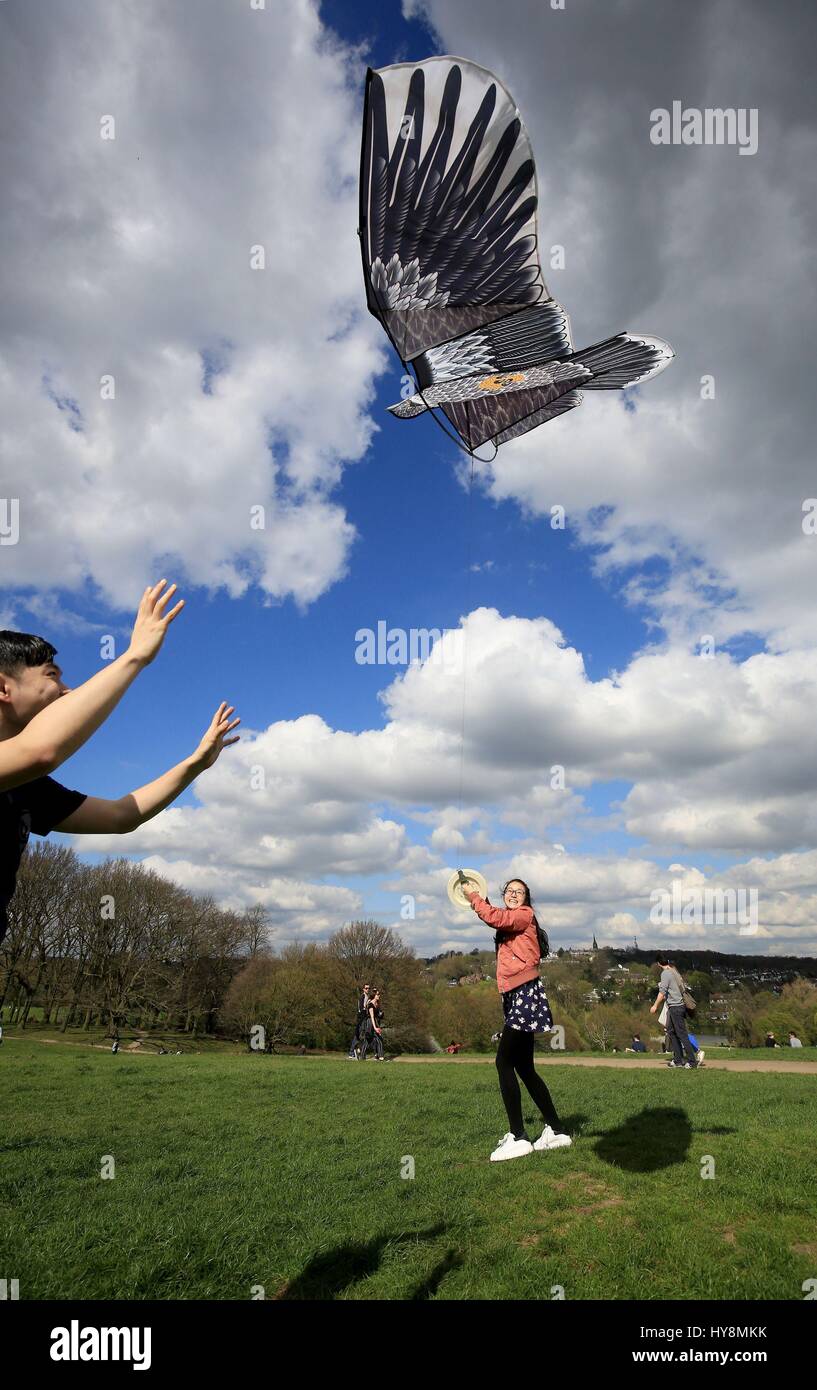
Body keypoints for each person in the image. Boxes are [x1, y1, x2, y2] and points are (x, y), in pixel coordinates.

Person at [0, 581, 241, 947]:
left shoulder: (25, 788)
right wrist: (135, 656)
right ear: (4, 689)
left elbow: (120, 816)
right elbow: (41, 752)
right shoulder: (30, 763)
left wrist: (195, 764)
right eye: (52, 675)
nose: (67, 690)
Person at [465, 878, 572, 1162]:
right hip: (517, 994)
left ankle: (518, 1136)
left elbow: (494, 917)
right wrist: (482, 899)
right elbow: (498, 916)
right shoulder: (512, 918)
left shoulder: (524, 915)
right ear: (504, 895)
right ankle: (557, 1130)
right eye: (510, 891)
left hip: (525, 992)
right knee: (524, 1067)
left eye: (519, 892)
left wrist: (474, 898)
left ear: (526, 899)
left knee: (503, 1062)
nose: (514, 894)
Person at [650, 955, 697, 1068]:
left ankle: (692, 1061)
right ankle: (678, 1060)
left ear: (658, 963)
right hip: (676, 1006)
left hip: (675, 1007)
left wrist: (655, 1005)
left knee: (681, 1034)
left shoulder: (665, 973)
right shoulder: (674, 970)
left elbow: (662, 991)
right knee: (671, 1032)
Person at [347, 983, 371, 1058]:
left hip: (364, 1018)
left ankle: (358, 1050)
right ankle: (352, 1051)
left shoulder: (367, 996)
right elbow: (361, 1008)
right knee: (358, 1035)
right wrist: (367, 1004)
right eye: (366, 988)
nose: (368, 989)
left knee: (362, 1035)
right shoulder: (363, 996)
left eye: (368, 988)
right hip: (361, 1019)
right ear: (363, 989)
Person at [360, 989, 384, 1060]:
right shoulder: (370, 1005)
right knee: (368, 1039)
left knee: (379, 1038)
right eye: (377, 994)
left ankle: (380, 1056)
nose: (379, 995)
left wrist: (381, 1015)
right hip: (370, 1022)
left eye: (379, 994)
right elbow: (372, 1017)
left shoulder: (377, 1003)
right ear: (374, 995)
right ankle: (362, 1055)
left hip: (375, 1021)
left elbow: (377, 1016)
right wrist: (375, 1028)